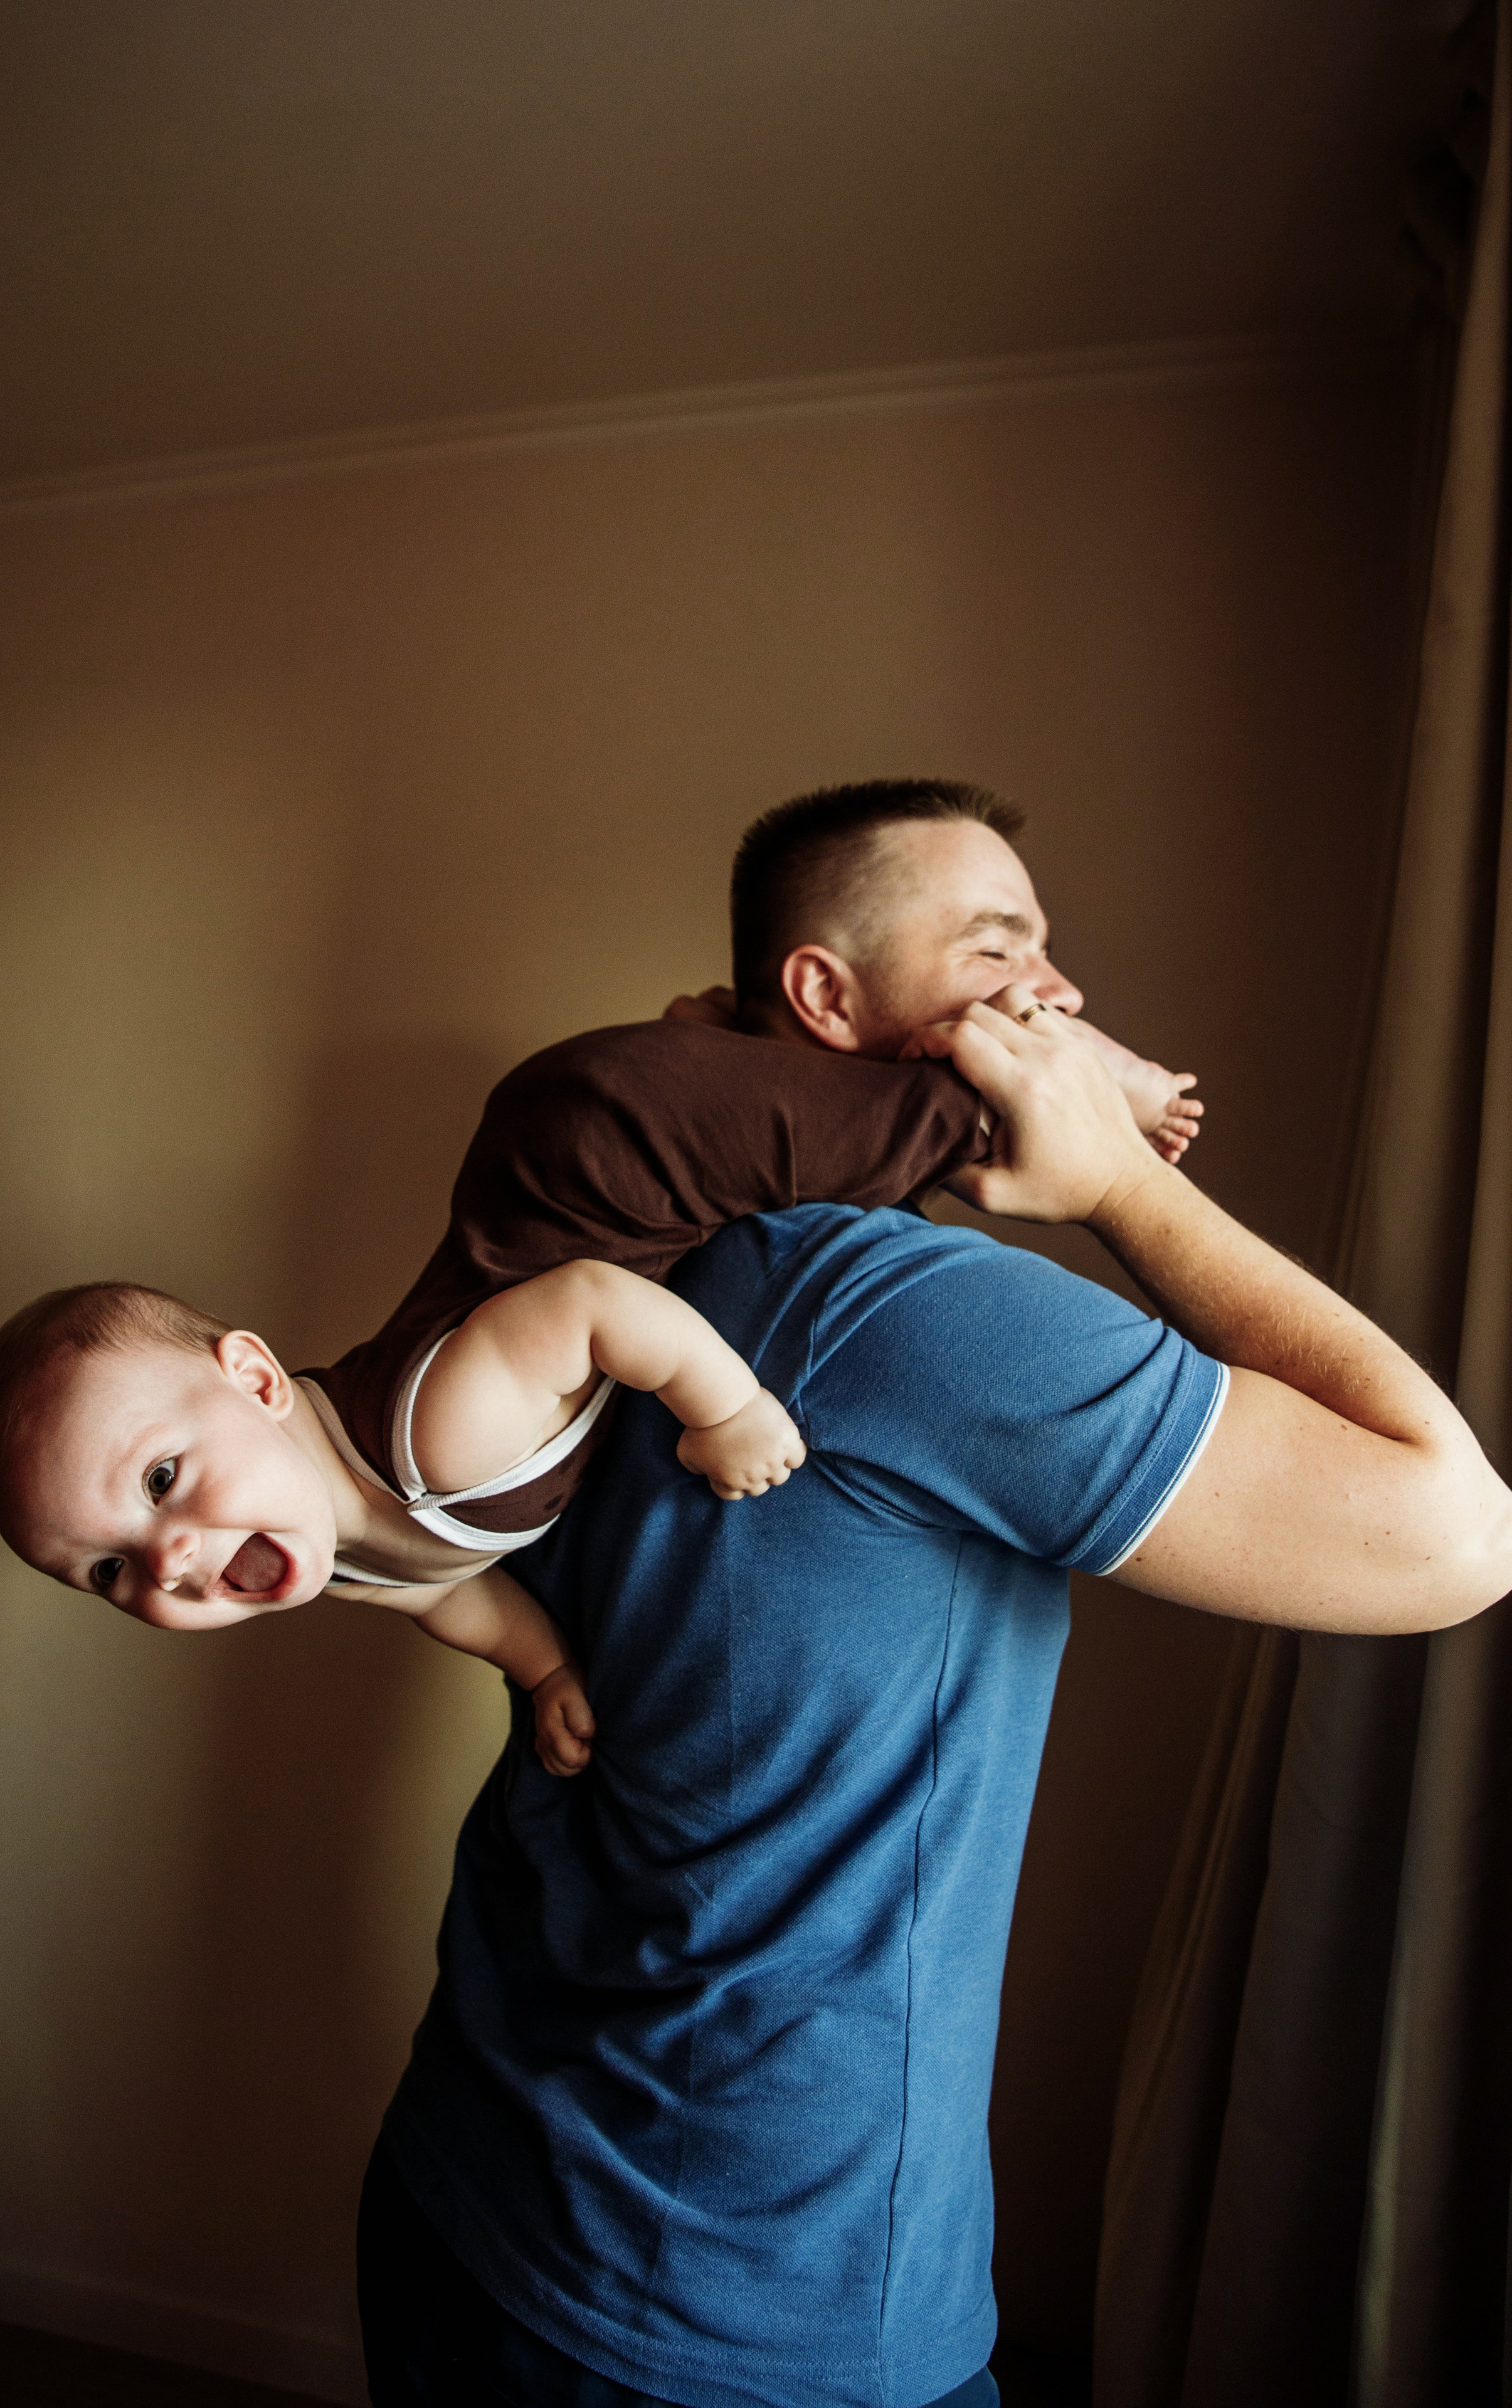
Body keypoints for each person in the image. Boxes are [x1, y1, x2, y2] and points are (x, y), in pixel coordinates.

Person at [348, 789, 1512, 2408]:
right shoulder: (891, 1311)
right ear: (824, 1001)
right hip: (735, 2315)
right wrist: (1119, 1184)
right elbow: (1458, 1535)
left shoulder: (610, 1239)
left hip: (478, 2169)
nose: (1063, 992)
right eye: (999, 948)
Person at [0, 783, 1196, 1783]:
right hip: (605, 1163)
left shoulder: (436, 1433)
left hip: (595, 1145)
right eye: (111, 1571)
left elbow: (597, 1308)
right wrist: (543, 1671)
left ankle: (1095, 1083)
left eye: (161, 1483)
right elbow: (444, 1595)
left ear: (252, 1376)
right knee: (812, 1126)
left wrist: (727, 1411)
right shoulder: (333, 1547)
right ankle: (718, 1048)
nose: (169, 1559)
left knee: (905, 1127)